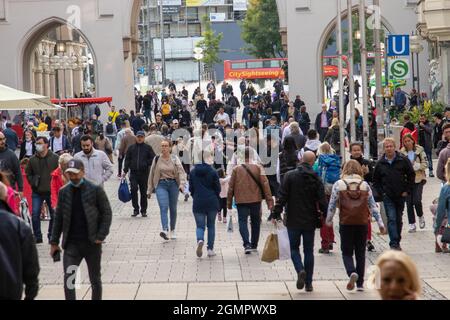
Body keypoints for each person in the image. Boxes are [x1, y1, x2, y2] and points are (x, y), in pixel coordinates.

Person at [50, 159, 112, 300]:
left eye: (76, 174)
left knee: (95, 279)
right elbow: (58, 217)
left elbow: (106, 213)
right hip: (72, 246)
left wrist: (101, 235)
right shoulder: (64, 192)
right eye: (70, 174)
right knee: (69, 279)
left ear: (83, 172)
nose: (73, 177)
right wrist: (54, 242)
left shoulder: (95, 189)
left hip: (92, 243)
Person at [271, 151, 327, 292]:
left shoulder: (290, 176)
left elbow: (282, 196)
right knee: (309, 250)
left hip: (293, 219)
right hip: (310, 219)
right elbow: (322, 200)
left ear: (301, 159)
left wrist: (276, 212)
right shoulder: (316, 178)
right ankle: (309, 283)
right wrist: (326, 215)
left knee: (294, 248)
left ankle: (300, 269)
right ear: (313, 161)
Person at [326, 160, 386, 291]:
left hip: (346, 222)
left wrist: (329, 220)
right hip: (362, 222)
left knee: (346, 252)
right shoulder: (365, 185)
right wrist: (381, 224)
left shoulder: (339, 184)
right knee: (360, 252)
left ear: (344, 169)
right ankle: (359, 284)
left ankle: (351, 272)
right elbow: (373, 206)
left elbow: (332, 205)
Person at [227, 147, 273, 254]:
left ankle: (246, 244)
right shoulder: (258, 168)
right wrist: (269, 201)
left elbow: (231, 188)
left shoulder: (236, 169)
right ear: (252, 156)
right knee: (255, 222)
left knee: (242, 222)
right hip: (255, 199)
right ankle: (254, 244)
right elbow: (265, 185)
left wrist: (229, 203)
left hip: (241, 200)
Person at [373, 138, 415, 250]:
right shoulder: (380, 163)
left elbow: (411, 175)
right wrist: (382, 193)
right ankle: (394, 243)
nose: (389, 148)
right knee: (391, 218)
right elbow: (376, 181)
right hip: (388, 196)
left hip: (401, 194)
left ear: (395, 147)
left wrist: (407, 190)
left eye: (391, 146)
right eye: (387, 146)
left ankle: (397, 239)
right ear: (384, 149)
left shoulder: (403, 160)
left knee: (398, 219)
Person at [0, 182, 39, 300]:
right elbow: (31, 265)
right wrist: (31, 292)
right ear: (6, 197)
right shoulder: (18, 225)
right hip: (8, 289)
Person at [147, 139, 186, 241]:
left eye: (165, 146)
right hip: (161, 184)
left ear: (169, 147)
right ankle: (165, 229)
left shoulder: (174, 158)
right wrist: (149, 189)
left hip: (173, 184)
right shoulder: (156, 159)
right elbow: (151, 174)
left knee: (173, 208)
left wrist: (182, 184)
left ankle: (172, 230)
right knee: (163, 207)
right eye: (162, 146)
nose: (163, 148)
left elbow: (181, 171)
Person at [26, 136, 59, 243]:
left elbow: (59, 172)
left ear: (46, 144)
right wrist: (32, 182)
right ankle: (37, 236)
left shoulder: (55, 158)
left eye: (40, 143)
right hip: (37, 192)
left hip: (51, 192)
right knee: (35, 214)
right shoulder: (32, 159)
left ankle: (51, 235)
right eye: (37, 143)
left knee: (54, 215)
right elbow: (28, 173)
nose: (38, 145)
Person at [189, 149, 221, 258]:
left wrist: (196, 196)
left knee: (200, 226)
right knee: (211, 226)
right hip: (212, 202)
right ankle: (210, 249)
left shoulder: (193, 172)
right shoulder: (213, 171)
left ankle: (200, 239)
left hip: (198, 202)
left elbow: (191, 189)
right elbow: (218, 188)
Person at [349, 142, 377, 251]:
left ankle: (367, 239)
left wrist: (367, 173)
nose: (356, 152)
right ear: (350, 151)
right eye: (354, 150)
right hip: (350, 195)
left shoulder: (366, 163)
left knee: (366, 217)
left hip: (364, 194)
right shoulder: (348, 164)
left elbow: (372, 179)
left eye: (358, 150)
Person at [399, 134, 428, 233]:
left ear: (413, 141)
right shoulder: (401, 153)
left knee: (417, 200)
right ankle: (412, 224)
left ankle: (420, 216)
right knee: (409, 203)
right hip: (407, 181)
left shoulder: (420, 151)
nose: (407, 143)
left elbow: (425, 164)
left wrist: (416, 166)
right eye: (405, 141)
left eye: (409, 140)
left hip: (418, 178)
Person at [123, 131, 155, 217]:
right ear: (136, 138)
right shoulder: (131, 148)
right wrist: (125, 170)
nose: (139, 138)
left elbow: (153, 158)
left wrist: (146, 163)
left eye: (141, 137)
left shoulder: (148, 148)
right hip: (133, 173)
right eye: (138, 137)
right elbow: (127, 159)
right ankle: (136, 209)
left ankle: (143, 210)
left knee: (143, 192)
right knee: (133, 190)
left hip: (144, 173)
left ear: (144, 138)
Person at [0, 131, 24, 196]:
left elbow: (18, 172)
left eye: (3, 139)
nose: (2, 141)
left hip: (8, 190)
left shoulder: (11, 155)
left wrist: (20, 189)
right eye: (0, 139)